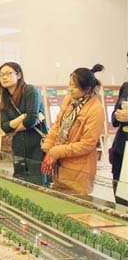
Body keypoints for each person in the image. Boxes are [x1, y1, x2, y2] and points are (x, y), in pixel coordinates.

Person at [41, 65, 106, 195]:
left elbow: (87, 144)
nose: (70, 89)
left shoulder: (96, 109)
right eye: (70, 85)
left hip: (79, 170)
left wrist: (57, 151)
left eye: (75, 87)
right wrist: (48, 147)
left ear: (87, 89)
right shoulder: (69, 100)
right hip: (60, 165)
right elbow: (57, 125)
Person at [0, 62, 48, 184]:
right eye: (1, 75)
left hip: (37, 145)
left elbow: (31, 119)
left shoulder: (30, 90)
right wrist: (21, 117)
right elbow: (4, 127)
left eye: (8, 73)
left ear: (19, 75)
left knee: (37, 181)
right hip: (18, 145)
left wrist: (13, 127)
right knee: (20, 180)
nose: (4, 77)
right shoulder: (5, 99)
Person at [110, 66, 128, 205]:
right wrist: (117, 115)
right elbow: (114, 120)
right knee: (121, 200)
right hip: (121, 149)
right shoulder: (125, 87)